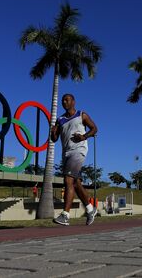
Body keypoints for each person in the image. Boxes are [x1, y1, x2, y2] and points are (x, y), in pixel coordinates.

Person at [51, 94, 98, 226]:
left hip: (79, 150)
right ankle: (90, 208)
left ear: (73, 102)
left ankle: (65, 215)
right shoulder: (60, 119)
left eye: (67, 100)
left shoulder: (81, 114)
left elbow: (94, 129)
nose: (64, 102)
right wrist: (53, 132)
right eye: (63, 101)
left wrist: (84, 136)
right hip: (66, 153)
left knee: (68, 180)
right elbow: (54, 139)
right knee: (76, 183)